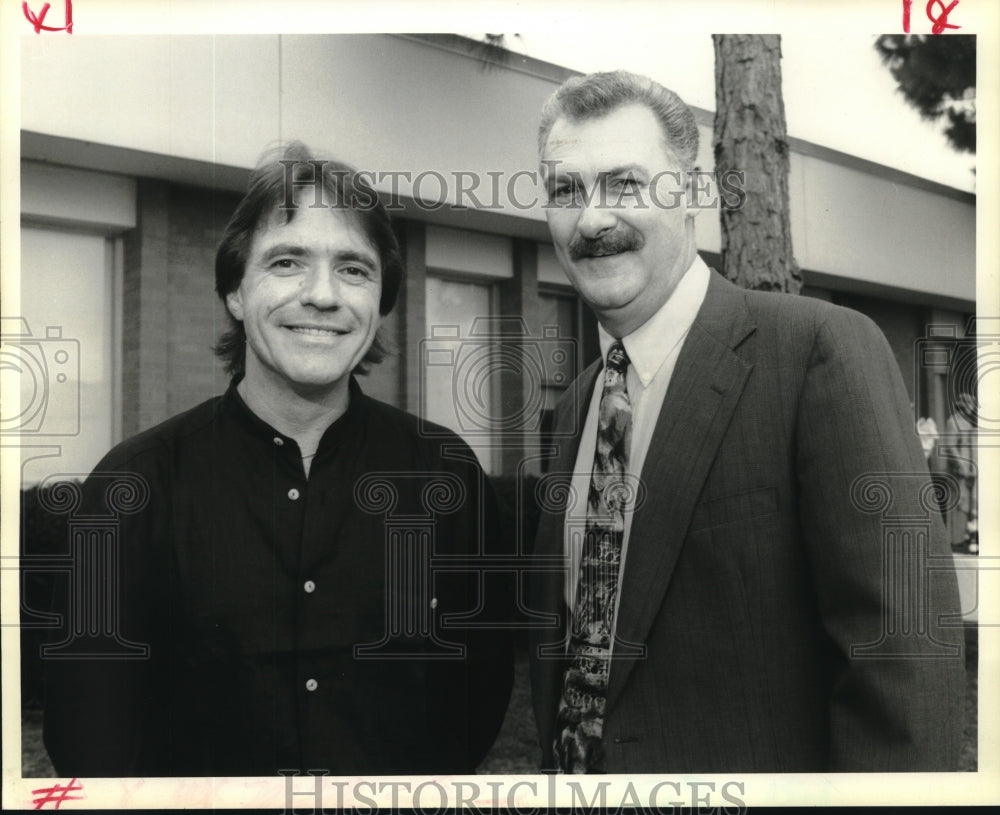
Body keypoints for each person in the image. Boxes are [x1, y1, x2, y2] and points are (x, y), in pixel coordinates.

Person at [527, 70, 965, 773]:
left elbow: (903, 659)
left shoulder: (818, 351)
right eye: (566, 191)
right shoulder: (580, 403)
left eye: (626, 184)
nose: (592, 220)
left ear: (697, 193)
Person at [43, 143, 512, 776]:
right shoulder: (135, 485)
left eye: (354, 269)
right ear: (235, 291)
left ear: (381, 302)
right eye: (288, 262)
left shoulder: (446, 476)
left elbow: (474, 704)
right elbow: (89, 734)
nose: (323, 295)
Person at [941, 392, 978, 549]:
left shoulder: (968, 424)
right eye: (969, 405)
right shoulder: (953, 422)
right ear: (962, 405)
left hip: (969, 470)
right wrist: (961, 465)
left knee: (966, 505)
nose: (971, 408)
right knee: (957, 502)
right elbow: (950, 446)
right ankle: (954, 540)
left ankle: (964, 537)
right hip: (958, 470)